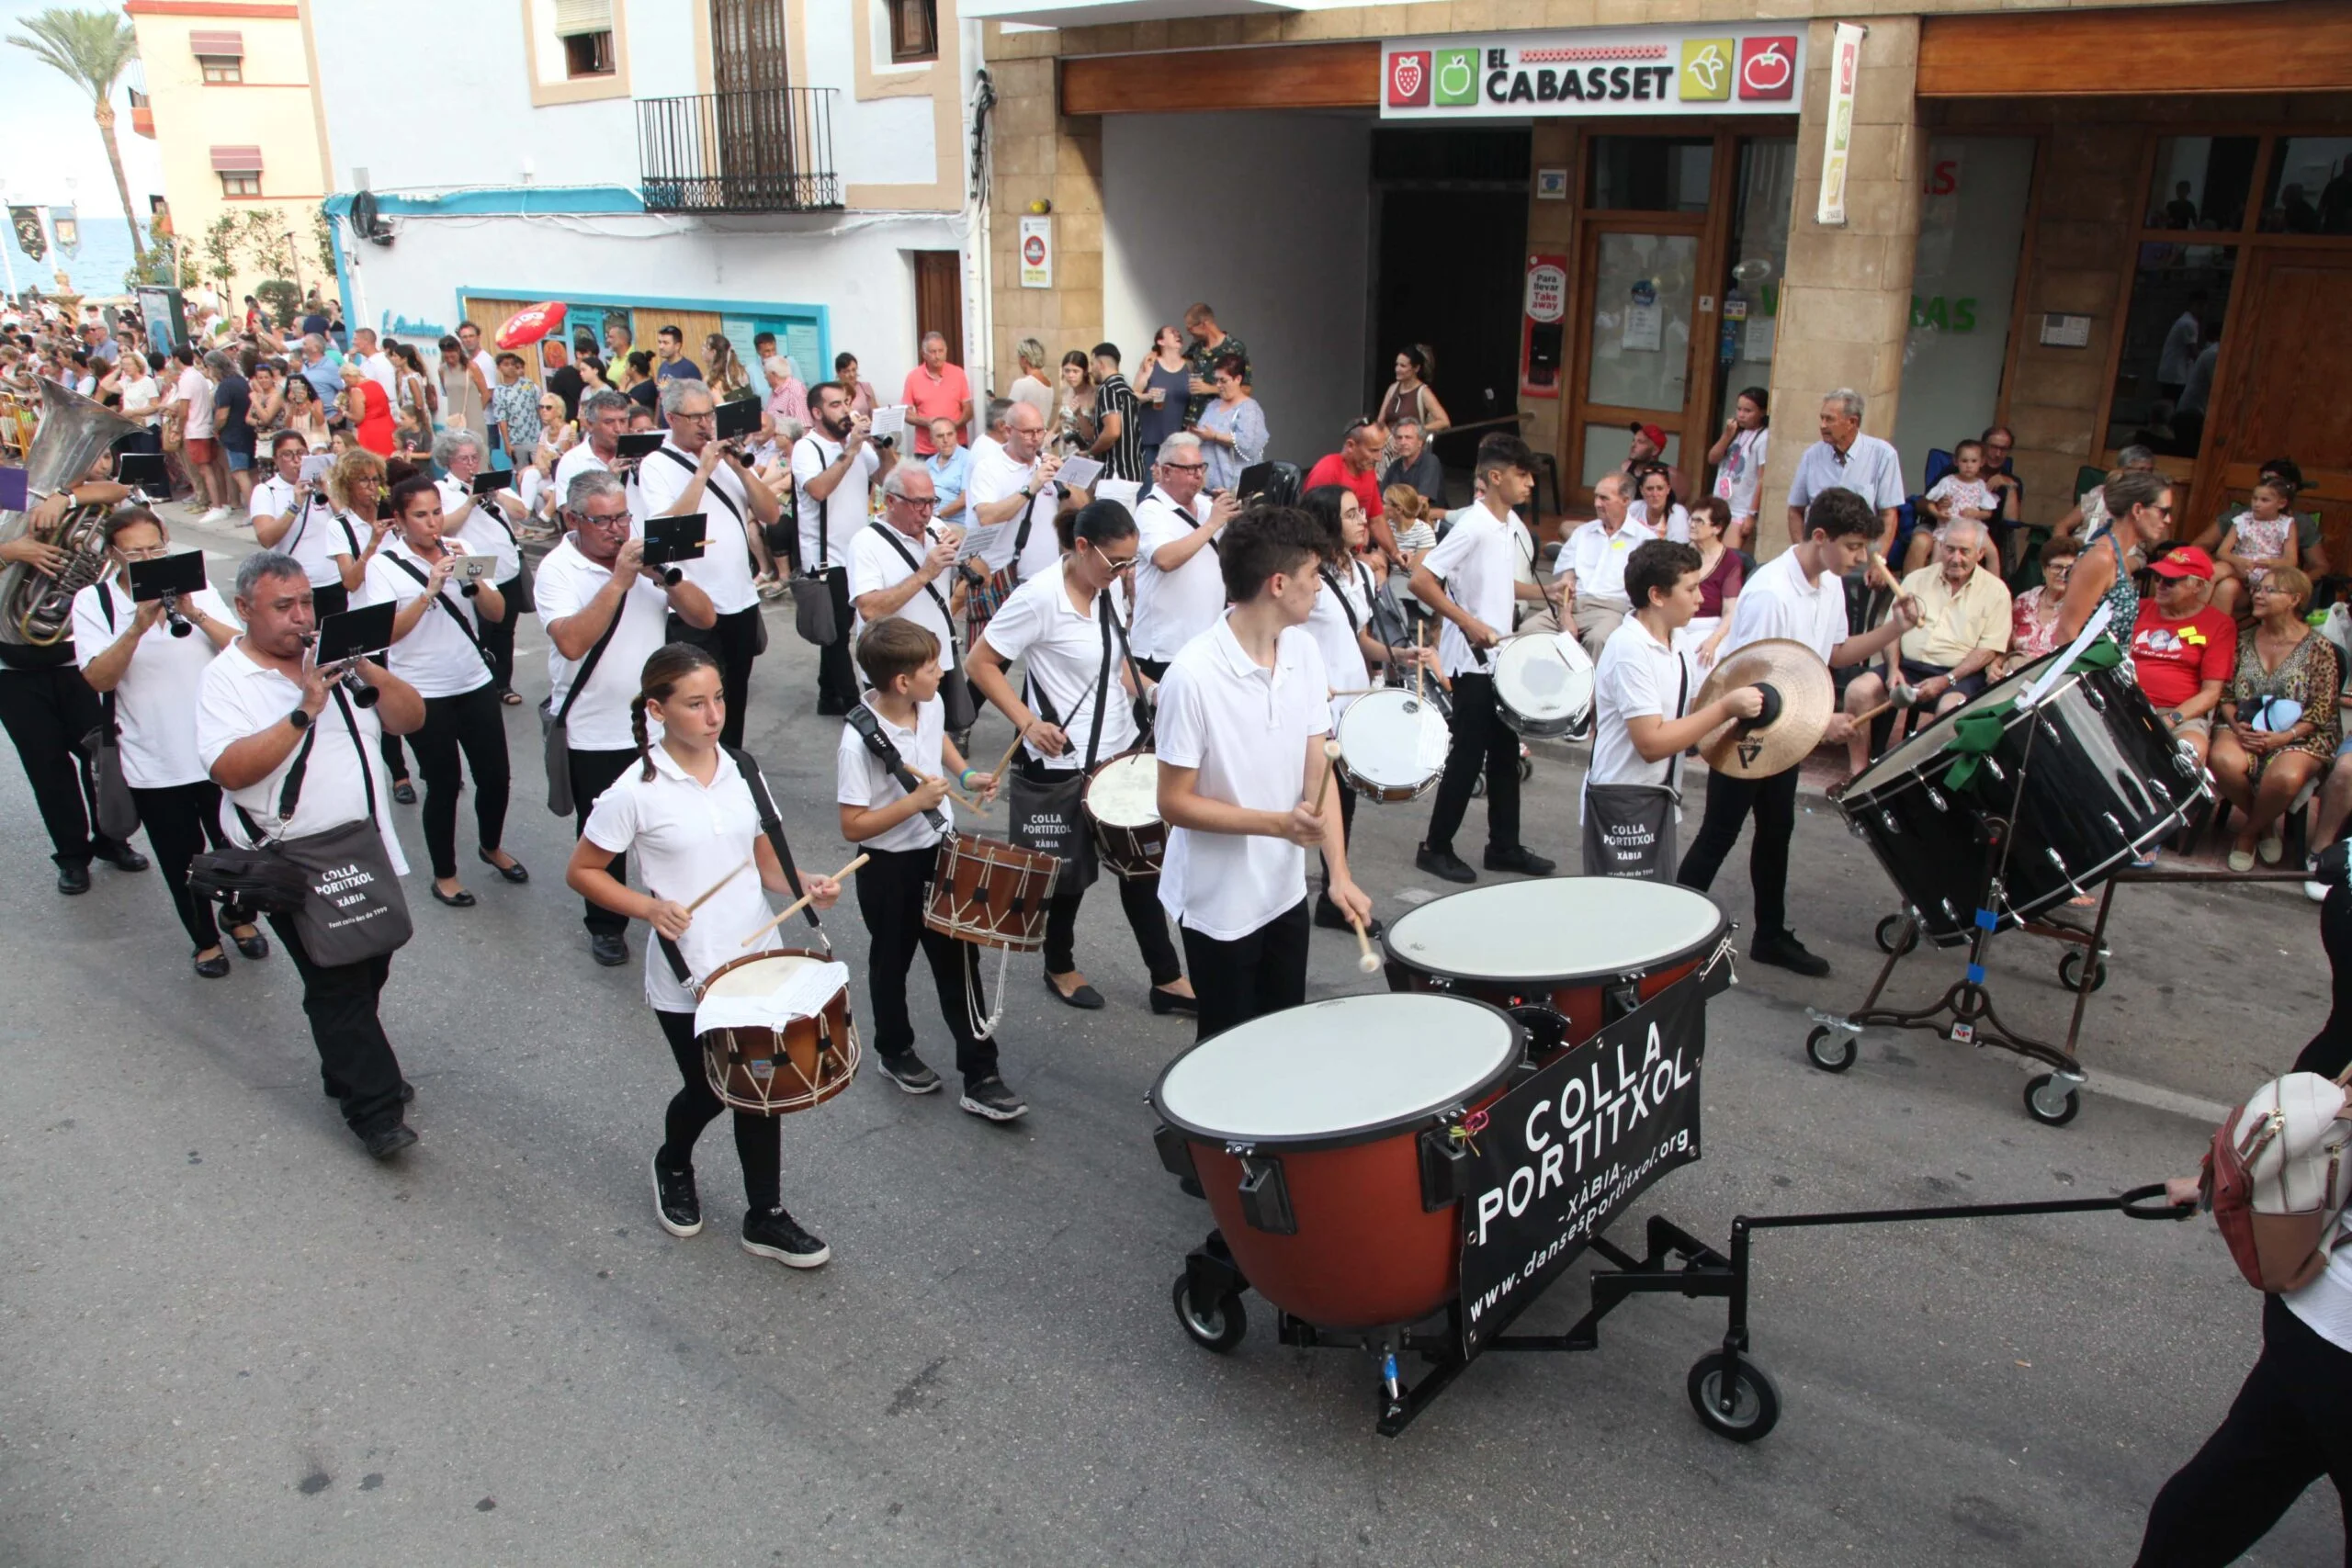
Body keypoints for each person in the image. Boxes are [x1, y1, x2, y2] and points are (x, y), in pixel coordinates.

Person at [567, 642, 843, 1269]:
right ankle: (673, 1160)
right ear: (659, 710)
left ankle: (765, 1214)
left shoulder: (743, 766)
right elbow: (583, 870)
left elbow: (763, 857)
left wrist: (806, 883)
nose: (714, 713)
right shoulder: (632, 791)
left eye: (717, 698)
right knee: (710, 1088)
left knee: (759, 1087)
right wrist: (646, 907)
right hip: (687, 969)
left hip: (758, 963)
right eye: (696, 703)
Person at [198, 549, 427, 1158]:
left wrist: (369, 673)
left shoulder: (336, 660)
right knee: (336, 979)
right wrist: (303, 709)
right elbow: (228, 768)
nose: (301, 618)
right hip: (291, 857)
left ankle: (347, 1062)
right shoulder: (226, 678)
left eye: (306, 603)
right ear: (244, 609)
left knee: (370, 960)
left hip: (363, 844)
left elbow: (411, 718)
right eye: (283, 607)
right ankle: (374, 1108)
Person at [1677, 489, 1918, 976]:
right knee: (1719, 834)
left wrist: (1895, 628)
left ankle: (1770, 935)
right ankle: (1671, 933)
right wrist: (1817, 721)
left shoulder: (1829, 582)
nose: (1860, 558)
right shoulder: (1771, 592)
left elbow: (1834, 655)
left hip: (1785, 729)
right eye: (1853, 546)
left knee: (1777, 832)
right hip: (1746, 724)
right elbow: (1751, 682)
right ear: (1821, 536)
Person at [966, 501, 1193, 1016]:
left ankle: (1167, 979)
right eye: (1117, 562)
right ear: (1083, 548)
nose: (1126, 572)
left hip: (1118, 752)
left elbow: (1112, 666)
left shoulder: (1104, 589)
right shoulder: (1039, 597)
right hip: (1060, 762)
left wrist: (1156, 692)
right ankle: (1059, 964)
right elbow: (980, 662)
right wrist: (1027, 721)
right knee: (1068, 876)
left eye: (1131, 562)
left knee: (1141, 868)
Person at [1157, 505, 1372, 1040]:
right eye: (1313, 576)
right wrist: (1277, 825)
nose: (1320, 587)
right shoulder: (1192, 676)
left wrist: (1338, 875)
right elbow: (1173, 803)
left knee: (1278, 1039)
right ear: (1278, 584)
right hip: (1218, 901)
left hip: (1284, 890)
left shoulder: (1303, 649)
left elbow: (1317, 772)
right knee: (1224, 1047)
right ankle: (1201, 1127)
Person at [836, 618, 1021, 1119]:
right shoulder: (857, 744)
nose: (942, 672)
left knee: (959, 963)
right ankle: (894, 1051)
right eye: (931, 665)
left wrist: (963, 772)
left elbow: (937, 741)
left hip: (941, 850)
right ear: (901, 682)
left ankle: (981, 1074)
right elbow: (853, 826)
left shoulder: (930, 702)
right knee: (890, 962)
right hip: (886, 866)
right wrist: (914, 801)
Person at [72, 505, 266, 976]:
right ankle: (204, 939)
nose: (148, 558)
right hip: (153, 760)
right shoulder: (93, 603)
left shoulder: (192, 587)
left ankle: (239, 916)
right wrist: (137, 627)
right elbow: (99, 678)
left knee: (237, 848)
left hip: (216, 751)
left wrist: (194, 612)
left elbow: (240, 650)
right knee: (181, 858)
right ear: (114, 555)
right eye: (135, 552)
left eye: (155, 547)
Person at [538, 469, 716, 968]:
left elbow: (705, 618)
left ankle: (680, 910)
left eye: (623, 517)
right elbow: (571, 642)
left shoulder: (648, 560)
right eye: (604, 520)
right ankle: (606, 925)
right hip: (593, 730)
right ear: (574, 519)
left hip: (657, 727)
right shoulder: (558, 570)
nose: (618, 530)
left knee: (674, 822)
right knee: (604, 836)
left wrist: (668, 577)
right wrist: (619, 580)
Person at [361, 474, 521, 907]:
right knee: (445, 782)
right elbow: (386, 635)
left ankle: (491, 846)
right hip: (422, 690)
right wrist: (429, 591)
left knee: (495, 777)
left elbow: (497, 611)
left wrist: (475, 583)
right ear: (398, 519)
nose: (432, 523)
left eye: (436, 512)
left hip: (473, 679)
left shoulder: (462, 550)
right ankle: (445, 874)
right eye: (420, 515)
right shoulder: (384, 565)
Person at [1411, 433, 1558, 886]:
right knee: (1467, 756)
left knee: (1504, 753)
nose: (1531, 483)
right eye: (1521, 474)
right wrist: (1468, 622)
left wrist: (1546, 591)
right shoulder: (1473, 525)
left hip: (1500, 658)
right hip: (1472, 660)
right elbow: (1421, 580)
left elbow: (1498, 585)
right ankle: (1435, 847)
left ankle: (1504, 846)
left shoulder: (1508, 524)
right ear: (1495, 477)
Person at [0, 459, 150, 893]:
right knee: (47, 766)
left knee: (100, 755)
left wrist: (65, 497)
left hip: (72, 657)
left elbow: (119, 494)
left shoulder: (17, 482)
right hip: (12, 665)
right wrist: (11, 551)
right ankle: (71, 855)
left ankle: (111, 838)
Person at [1587, 539, 1767, 879]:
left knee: (1654, 914)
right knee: (1621, 917)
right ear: (1657, 596)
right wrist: (1727, 707)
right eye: (1692, 588)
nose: (1700, 598)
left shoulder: (1678, 639)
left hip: (1657, 796)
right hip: (1622, 800)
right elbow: (1651, 744)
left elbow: (1696, 708)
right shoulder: (1630, 648)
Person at [1298, 483, 1430, 933]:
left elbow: (1357, 639)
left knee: (1344, 802)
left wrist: (1398, 656)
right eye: (1352, 514)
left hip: (1352, 701)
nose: (1363, 521)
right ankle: (1315, 893)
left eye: (1359, 512)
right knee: (1314, 799)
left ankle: (1334, 892)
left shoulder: (1356, 569)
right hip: (1319, 703)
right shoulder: (1308, 574)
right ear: (1327, 522)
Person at [639, 379, 780, 746]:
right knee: (700, 704)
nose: (705, 424)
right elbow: (668, 534)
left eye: (708, 415)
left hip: (741, 601)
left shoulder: (723, 459)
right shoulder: (656, 464)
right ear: (671, 417)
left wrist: (742, 469)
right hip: (696, 608)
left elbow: (771, 513)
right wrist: (702, 472)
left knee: (734, 699)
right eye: (695, 416)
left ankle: (729, 767)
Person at [1840, 518, 2012, 775]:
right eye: (1950, 548)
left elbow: (1989, 649)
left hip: (1958, 674)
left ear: (1980, 553)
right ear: (1940, 547)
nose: (1955, 558)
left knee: (1951, 710)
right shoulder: (1916, 579)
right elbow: (1893, 630)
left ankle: (1927, 780)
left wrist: (1946, 680)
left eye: (1964, 551)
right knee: (1858, 691)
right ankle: (1858, 772)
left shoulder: (1996, 592)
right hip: (1907, 666)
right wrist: (1893, 669)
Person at [2212, 566, 2339, 871]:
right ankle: (2265, 825)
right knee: (2222, 760)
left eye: (2270, 590)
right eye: (2258, 589)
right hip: (2241, 725)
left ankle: (2247, 833)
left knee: (2286, 777)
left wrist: (2284, 737)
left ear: (2295, 599)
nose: (2258, 594)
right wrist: (2237, 728)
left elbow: (2322, 710)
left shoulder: (2319, 648)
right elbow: (2226, 695)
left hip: (2301, 733)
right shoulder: (2241, 639)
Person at [792, 379, 892, 716]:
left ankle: (827, 695)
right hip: (824, 556)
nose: (846, 410)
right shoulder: (808, 448)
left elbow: (886, 480)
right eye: (836, 404)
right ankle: (853, 703)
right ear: (817, 413)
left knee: (838, 627)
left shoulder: (858, 445)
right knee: (835, 634)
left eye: (847, 402)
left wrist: (881, 445)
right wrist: (850, 450)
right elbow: (818, 490)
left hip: (856, 551)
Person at [849, 465, 964, 705]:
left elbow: (982, 579)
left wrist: (967, 548)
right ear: (891, 501)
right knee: (900, 740)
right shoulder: (865, 543)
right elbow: (869, 610)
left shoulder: (937, 527)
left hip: (938, 662)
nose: (927, 512)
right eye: (918, 503)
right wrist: (925, 574)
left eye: (932, 501)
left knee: (942, 734)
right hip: (895, 668)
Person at [1130, 433, 1239, 681]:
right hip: (1165, 647)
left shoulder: (1205, 504)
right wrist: (1213, 523)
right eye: (1190, 470)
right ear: (1166, 472)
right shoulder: (1150, 510)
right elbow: (1165, 559)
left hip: (1207, 640)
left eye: (1201, 467)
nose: (1199, 475)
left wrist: (1235, 516)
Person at [430, 430, 529, 703]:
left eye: (475, 457)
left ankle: (503, 684)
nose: (471, 464)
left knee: (505, 629)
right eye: (464, 459)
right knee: (480, 628)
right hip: (472, 565)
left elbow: (522, 513)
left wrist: (496, 495)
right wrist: (471, 501)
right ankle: (480, 682)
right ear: (449, 461)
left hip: (506, 566)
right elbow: (441, 527)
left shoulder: (493, 482)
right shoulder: (441, 490)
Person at [959, 398, 1073, 611]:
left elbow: (1081, 507)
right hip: (1004, 581)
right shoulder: (988, 468)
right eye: (1028, 432)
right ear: (1008, 431)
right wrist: (1030, 488)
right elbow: (987, 517)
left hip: (1046, 580)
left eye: (1041, 431)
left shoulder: (1045, 464)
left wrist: (1066, 478)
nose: (1036, 439)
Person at [2128, 546, 2235, 771]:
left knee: (2190, 751)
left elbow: (2211, 692)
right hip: (2127, 703)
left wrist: (2170, 720)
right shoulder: (2138, 608)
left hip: (2178, 713)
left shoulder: (2219, 624)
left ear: (2197, 585)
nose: (2160, 585)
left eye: (2171, 581)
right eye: (2158, 577)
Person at [2054, 468, 2175, 645]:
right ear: (2138, 510)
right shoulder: (2101, 558)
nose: (2168, 520)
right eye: (2163, 511)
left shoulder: (2118, 556)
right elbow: (2066, 633)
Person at [1785, 389, 1905, 556]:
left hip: (1860, 556)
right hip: (1820, 555)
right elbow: (1795, 511)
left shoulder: (1883, 454)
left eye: (1829, 419)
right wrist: (1803, 553)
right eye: (1822, 418)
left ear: (1852, 422)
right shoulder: (1812, 455)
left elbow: (1889, 515)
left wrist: (1878, 560)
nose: (1822, 425)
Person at [1555, 474, 1656, 662]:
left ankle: (1588, 692)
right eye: (1596, 497)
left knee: (1598, 639)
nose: (1597, 503)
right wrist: (1565, 615)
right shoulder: (1582, 533)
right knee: (1530, 630)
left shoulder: (1645, 540)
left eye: (1604, 498)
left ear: (1625, 501)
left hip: (1612, 609)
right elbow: (1565, 582)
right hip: (1573, 604)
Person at [2212, 475, 2302, 618]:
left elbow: (2291, 560)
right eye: (2254, 498)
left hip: (2267, 576)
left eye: (2264, 500)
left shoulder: (2287, 524)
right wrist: (2240, 561)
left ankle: (2215, 630)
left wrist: (2269, 563)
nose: (2257, 504)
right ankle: (2197, 616)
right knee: (2214, 571)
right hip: (2241, 569)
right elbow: (2222, 552)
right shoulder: (2243, 520)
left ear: (2281, 503)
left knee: (2227, 587)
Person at [1906, 438, 2002, 572]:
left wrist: (1977, 514)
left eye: (1973, 461)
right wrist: (1938, 513)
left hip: (1973, 530)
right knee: (1937, 560)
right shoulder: (1947, 481)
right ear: (1956, 461)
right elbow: (1930, 503)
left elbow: (1989, 512)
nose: (1969, 465)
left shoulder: (1980, 486)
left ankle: (1995, 589)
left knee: (1992, 552)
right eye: (1964, 461)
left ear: (1981, 463)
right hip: (1948, 528)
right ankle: (1931, 587)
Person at [1303, 419, 1394, 560]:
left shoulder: (1368, 471)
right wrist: (1353, 559)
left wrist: (1396, 553)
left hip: (1353, 553)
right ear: (1351, 445)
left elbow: (1376, 520)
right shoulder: (1328, 470)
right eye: (1373, 450)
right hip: (1328, 557)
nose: (1379, 457)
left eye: (1381, 450)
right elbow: (1313, 527)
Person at [1677, 496, 1745, 672]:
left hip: (1709, 628)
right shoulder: (1677, 554)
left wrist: (1713, 641)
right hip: (1675, 623)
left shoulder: (1730, 561)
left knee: (1700, 660)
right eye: (1691, 519)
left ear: (1717, 528)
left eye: (1699, 521)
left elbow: (1730, 612)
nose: (1692, 524)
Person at [1707, 388, 1770, 549]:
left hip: (1740, 509)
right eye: (1739, 409)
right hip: (1719, 502)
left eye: (1748, 411)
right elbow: (1712, 458)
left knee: (1728, 555)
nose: (1741, 415)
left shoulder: (1763, 438)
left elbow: (1762, 478)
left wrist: (1751, 514)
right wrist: (1727, 436)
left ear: (1762, 412)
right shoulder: (1734, 432)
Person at [1193, 356, 1266, 494]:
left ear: (1238, 379)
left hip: (1233, 486)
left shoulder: (1250, 408)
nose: (1218, 385)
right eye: (1216, 380)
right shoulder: (1213, 405)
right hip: (1207, 486)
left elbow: (1248, 444)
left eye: (1223, 380)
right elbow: (1203, 430)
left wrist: (1214, 436)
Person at [2006, 535, 2078, 671]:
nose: (2063, 574)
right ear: (2044, 570)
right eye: (2057, 567)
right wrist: (1995, 664)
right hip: (2014, 674)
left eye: (2070, 569)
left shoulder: (2078, 608)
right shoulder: (2024, 601)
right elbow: (2005, 647)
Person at [900, 331, 970, 459]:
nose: (937, 356)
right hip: (926, 449)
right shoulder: (913, 377)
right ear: (924, 354)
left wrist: (954, 425)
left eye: (941, 351)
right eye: (932, 352)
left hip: (956, 447)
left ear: (946, 351)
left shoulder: (958, 373)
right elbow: (906, 414)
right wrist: (929, 422)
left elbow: (968, 409)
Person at [554, 388, 632, 496]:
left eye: (623, 421)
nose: (618, 428)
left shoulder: (644, 457)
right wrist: (609, 481)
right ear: (590, 425)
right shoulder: (572, 461)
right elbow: (569, 511)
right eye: (609, 422)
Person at [1133, 325, 1190, 472]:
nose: (1178, 334)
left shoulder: (1189, 366)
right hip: (1151, 438)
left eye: (1179, 332)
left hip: (1178, 439)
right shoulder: (1151, 363)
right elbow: (1133, 395)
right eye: (1172, 332)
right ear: (1161, 341)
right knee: (1150, 484)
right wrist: (1148, 396)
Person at [1086, 341, 1144, 482]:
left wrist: (1090, 452)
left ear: (1100, 365)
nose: (1090, 369)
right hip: (1133, 474)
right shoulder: (1126, 389)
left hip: (1115, 475)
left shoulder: (1108, 389)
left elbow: (1112, 431)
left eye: (1092, 364)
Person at [1181, 303, 1248, 424]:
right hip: (1192, 425)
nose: (1189, 333)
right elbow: (1179, 362)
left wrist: (1210, 389)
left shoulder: (1234, 348)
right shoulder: (1197, 347)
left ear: (1204, 324)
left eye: (1190, 328)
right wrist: (1156, 353)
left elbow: (1245, 389)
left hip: (1217, 425)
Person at [486, 352, 544, 473]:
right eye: (506, 364)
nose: (510, 367)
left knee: (541, 470)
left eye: (513, 364)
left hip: (536, 437)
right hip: (516, 440)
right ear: (499, 368)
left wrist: (545, 432)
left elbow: (540, 408)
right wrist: (507, 443)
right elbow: (501, 418)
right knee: (521, 474)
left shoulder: (528, 385)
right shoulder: (499, 391)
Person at [1376, 344, 1450, 439]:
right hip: (1388, 446)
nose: (1397, 369)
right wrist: (1390, 438)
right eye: (1397, 364)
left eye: (1403, 366)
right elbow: (1380, 420)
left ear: (1416, 368)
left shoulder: (1423, 392)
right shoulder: (1393, 388)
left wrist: (1417, 430)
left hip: (1409, 447)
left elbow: (1444, 421)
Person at [212, 351, 254, 508]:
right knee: (252, 474)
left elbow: (222, 415)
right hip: (247, 431)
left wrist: (215, 429)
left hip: (234, 434)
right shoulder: (241, 381)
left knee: (240, 473)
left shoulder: (225, 386)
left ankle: (252, 511)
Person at [1380, 418, 1447, 512]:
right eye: (1399, 438)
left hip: (1427, 520)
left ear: (1420, 442)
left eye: (1408, 437)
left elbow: (1421, 502)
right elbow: (1381, 498)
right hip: (1397, 518)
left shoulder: (1430, 461)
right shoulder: (1395, 465)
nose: (1403, 442)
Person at [1623, 423, 1689, 506]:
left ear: (1655, 451)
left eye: (1640, 442)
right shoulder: (1626, 466)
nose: (1633, 445)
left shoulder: (1671, 475)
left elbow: (1678, 506)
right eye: (1633, 440)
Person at [923, 415, 971, 522]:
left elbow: (965, 499)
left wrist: (937, 516)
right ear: (932, 440)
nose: (946, 440)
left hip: (955, 523)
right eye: (940, 436)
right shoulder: (928, 463)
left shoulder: (967, 459)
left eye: (950, 434)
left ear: (956, 435)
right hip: (929, 521)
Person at [1629, 463, 1690, 544]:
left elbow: (1678, 550)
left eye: (1660, 488)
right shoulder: (1633, 508)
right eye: (1650, 489)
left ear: (1668, 489)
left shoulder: (1677, 512)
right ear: (1641, 490)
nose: (1655, 494)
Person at [1007, 338, 1055, 432]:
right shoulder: (1050, 385)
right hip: (1042, 437)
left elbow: (1008, 416)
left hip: (1025, 438)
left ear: (1024, 359)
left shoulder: (1021, 384)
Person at [543, 339, 583, 422]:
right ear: (579, 354)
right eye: (591, 355)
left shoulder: (595, 377)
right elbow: (552, 398)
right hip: (567, 423)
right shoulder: (562, 374)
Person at [834, 353, 878, 420]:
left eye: (854, 370)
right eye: (846, 371)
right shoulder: (833, 391)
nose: (852, 375)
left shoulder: (865, 387)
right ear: (838, 372)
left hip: (866, 428)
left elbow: (876, 414)